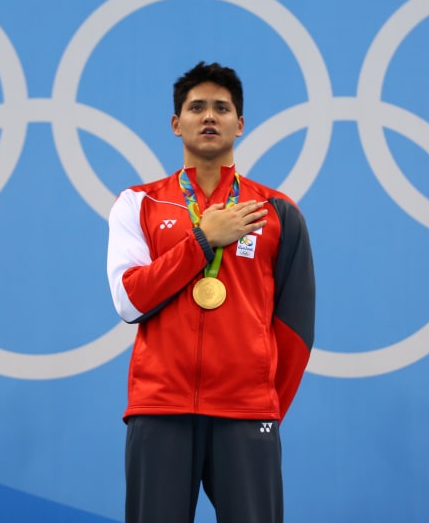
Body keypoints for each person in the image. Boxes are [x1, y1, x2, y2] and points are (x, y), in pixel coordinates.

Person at [106, 61, 316, 523]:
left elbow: (296, 328)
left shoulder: (277, 211)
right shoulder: (138, 204)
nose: (208, 116)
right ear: (175, 122)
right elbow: (130, 300)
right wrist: (204, 241)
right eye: (196, 107)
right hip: (160, 407)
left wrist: (263, 402)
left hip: (246, 412)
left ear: (240, 125)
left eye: (221, 108)